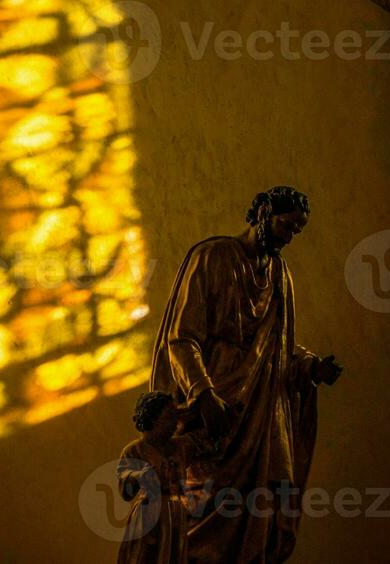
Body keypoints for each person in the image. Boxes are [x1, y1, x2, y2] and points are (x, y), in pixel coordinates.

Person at [147, 186, 343, 562]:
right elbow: (181, 337)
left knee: (262, 507)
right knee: (206, 502)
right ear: (264, 211)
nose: (288, 238)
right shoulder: (213, 256)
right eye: (286, 226)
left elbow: (279, 347)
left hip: (262, 414)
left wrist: (311, 367)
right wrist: (204, 395)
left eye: (296, 232)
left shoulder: (279, 273)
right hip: (217, 408)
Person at [116, 391, 199, 564]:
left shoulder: (182, 446)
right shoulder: (134, 451)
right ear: (152, 419)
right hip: (148, 515)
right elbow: (126, 492)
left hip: (177, 514)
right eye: (169, 417)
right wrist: (138, 476)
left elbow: (208, 442)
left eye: (176, 417)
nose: (175, 423)